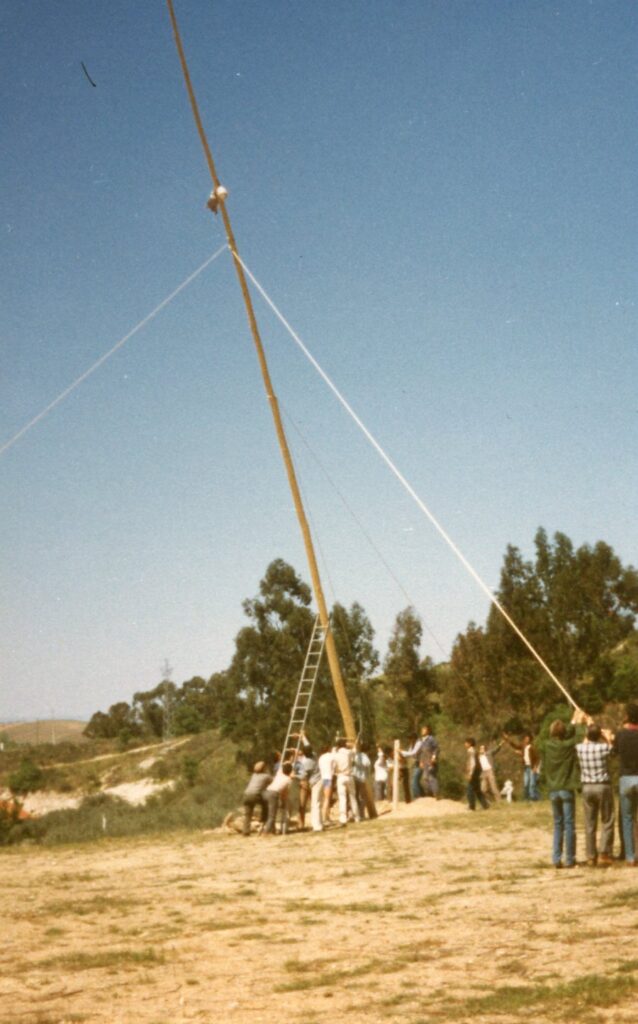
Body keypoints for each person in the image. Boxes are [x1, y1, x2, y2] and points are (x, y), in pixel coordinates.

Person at [543, 709, 589, 868]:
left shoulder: (547, 745)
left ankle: (556, 859)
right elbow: (578, 736)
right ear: (563, 733)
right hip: (566, 789)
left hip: (553, 789)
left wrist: (573, 721)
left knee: (558, 825)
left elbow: (568, 733)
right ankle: (570, 859)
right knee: (569, 824)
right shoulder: (568, 746)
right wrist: (580, 722)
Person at [576, 723, 615, 866]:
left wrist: (589, 731)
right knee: (607, 820)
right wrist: (606, 736)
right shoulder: (604, 748)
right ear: (599, 736)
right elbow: (611, 747)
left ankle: (591, 855)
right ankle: (604, 852)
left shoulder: (580, 749)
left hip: (587, 787)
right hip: (602, 785)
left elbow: (584, 742)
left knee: (590, 823)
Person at [613, 703, 638, 866]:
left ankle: (630, 856)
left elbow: (614, 752)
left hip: (626, 778)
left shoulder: (621, 734)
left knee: (627, 819)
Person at [503, 731, 541, 801]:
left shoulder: (532, 747)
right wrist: (508, 739)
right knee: (526, 784)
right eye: (525, 738)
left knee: (532, 784)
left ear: (530, 739)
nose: (526, 739)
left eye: (527, 738)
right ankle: (526, 799)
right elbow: (515, 746)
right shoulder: (523, 746)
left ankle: (534, 798)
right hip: (526, 768)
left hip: (532, 767)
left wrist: (535, 767)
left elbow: (537, 758)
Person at [241, 761, 272, 836]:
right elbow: (273, 782)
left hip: (246, 794)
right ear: (264, 768)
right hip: (255, 795)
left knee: (248, 814)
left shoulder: (253, 775)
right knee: (266, 805)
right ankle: (263, 821)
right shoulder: (266, 776)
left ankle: (246, 831)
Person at [263, 761, 293, 835]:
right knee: (272, 815)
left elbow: (282, 766)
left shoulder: (279, 774)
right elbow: (285, 792)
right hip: (273, 794)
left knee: (269, 813)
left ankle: (271, 830)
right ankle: (266, 832)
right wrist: (283, 801)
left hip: (266, 792)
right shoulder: (288, 780)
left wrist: (288, 761)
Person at [335, 738, 361, 825]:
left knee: (342, 798)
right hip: (349, 775)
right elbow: (354, 750)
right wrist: (354, 744)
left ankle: (343, 818)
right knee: (352, 797)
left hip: (341, 776)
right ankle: (357, 816)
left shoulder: (336, 754)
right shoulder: (349, 752)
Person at [464, 738, 488, 810]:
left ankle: (472, 806)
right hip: (477, 772)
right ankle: (485, 805)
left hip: (474, 773)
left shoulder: (471, 751)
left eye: (466, 743)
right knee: (477, 790)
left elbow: (472, 764)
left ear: (470, 743)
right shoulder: (474, 751)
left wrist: (470, 774)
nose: (465, 744)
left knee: (469, 790)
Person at [318, 743, 337, 825]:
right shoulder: (330, 756)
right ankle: (324, 818)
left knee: (326, 799)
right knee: (327, 799)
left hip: (323, 778)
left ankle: (327, 817)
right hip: (328, 778)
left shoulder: (321, 757)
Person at [419, 725, 440, 798]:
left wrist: (434, 757)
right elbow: (422, 752)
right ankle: (429, 794)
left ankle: (436, 793)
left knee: (432, 776)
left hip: (430, 760)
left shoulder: (431, 739)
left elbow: (436, 748)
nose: (422, 731)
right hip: (424, 761)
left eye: (424, 729)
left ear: (428, 731)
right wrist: (421, 761)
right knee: (425, 778)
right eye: (422, 729)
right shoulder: (422, 740)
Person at [401, 733, 424, 799]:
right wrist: (401, 753)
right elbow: (408, 753)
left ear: (414, 738)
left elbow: (413, 753)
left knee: (414, 781)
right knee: (416, 781)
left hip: (421, 762)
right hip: (417, 763)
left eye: (410, 738)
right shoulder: (412, 744)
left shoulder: (419, 743)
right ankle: (423, 796)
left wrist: (402, 751)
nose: (409, 740)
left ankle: (418, 797)